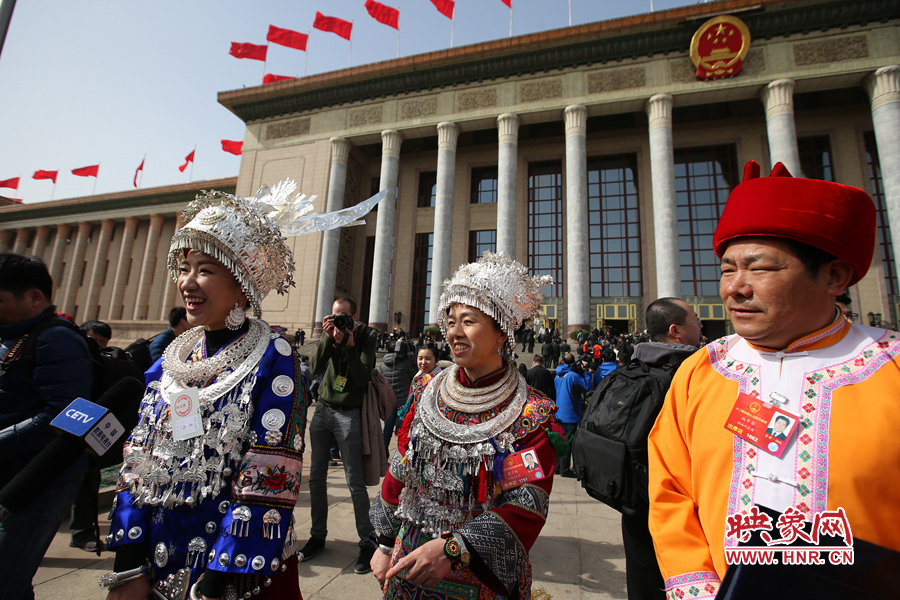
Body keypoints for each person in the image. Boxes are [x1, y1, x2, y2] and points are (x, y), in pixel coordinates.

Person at [103, 179, 382, 600]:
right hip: (155, 559)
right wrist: (128, 565)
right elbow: (139, 463)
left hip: (238, 568)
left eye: (206, 270)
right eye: (184, 268)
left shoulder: (274, 356)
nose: (188, 282)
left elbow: (269, 473)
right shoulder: (172, 360)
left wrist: (219, 580)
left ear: (242, 284)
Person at [648, 161, 900, 598]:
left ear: (834, 277)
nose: (735, 288)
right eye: (728, 269)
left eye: (759, 269)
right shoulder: (704, 369)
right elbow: (670, 487)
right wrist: (694, 585)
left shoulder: (888, 367)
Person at [369, 252, 557, 600]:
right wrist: (383, 542)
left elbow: (525, 502)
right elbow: (403, 464)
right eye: (451, 320)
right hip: (408, 558)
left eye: (468, 321)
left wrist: (454, 549)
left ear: (503, 333)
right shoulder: (428, 389)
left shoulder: (528, 411)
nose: (455, 332)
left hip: (475, 572)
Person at [0, 252, 93, 600]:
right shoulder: (14, 338)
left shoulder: (58, 339)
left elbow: (64, 414)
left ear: (35, 297)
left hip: (42, 478)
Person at [615, 297, 702, 600]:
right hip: (680, 500)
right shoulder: (695, 374)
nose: (701, 326)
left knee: (641, 576)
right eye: (696, 320)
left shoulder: (631, 366)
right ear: (676, 330)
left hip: (633, 493)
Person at [301, 296, 379, 574]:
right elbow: (314, 368)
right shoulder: (330, 334)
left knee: (354, 482)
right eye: (335, 316)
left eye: (344, 316)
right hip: (323, 410)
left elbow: (362, 376)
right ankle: (317, 535)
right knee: (317, 478)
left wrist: (349, 347)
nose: (339, 321)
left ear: (355, 317)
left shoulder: (367, 336)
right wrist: (327, 337)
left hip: (349, 413)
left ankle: (366, 540)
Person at [554, 352, 590, 478]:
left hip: (559, 412)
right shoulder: (573, 376)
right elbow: (587, 386)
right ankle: (564, 469)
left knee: (559, 441)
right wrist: (586, 372)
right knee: (567, 442)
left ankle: (558, 467)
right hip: (570, 413)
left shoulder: (557, 376)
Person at [379, 338, 417, 451]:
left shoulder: (383, 363)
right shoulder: (405, 364)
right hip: (403, 401)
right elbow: (415, 376)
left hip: (389, 400)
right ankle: (400, 454)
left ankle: (383, 453)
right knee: (401, 429)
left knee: (388, 428)